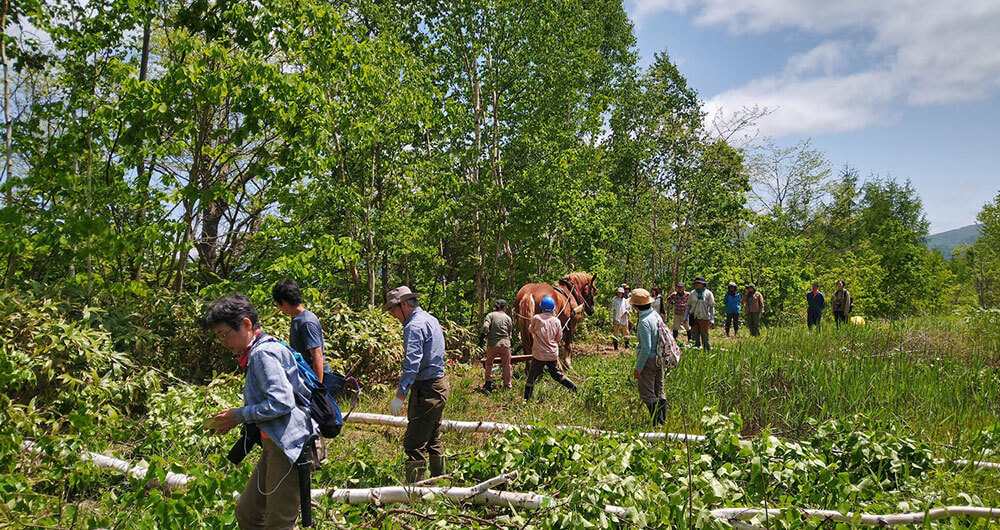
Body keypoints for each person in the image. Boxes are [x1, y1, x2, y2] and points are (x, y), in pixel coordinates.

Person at [205, 294, 316, 530]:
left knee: (279, 523)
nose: (224, 342)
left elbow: (281, 402)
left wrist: (238, 415)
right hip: (274, 444)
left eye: (225, 334)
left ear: (246, 324)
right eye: (218, 338)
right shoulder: (257, 351)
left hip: (290, 448)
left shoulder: (262, 353)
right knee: (248, 513)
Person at [383, 286, 449, 483]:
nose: (394, 316)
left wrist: (400, 395)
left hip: (426, 389)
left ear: (403, 305)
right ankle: (442, 484)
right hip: (439, 385)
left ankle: (416, 492)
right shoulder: (431, 319)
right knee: (433, 438)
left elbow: (412, 363)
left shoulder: (413, 326)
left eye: (394, 310)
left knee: (414, 443)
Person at [272, 279, 327, 383]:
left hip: (315, 375)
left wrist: (318, 388)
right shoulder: (297, 318)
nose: (278, 308)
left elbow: (317, 355)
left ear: (284, 302)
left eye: (278, 304)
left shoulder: (306, 321)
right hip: (306, 373)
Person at [525, 295, 577, 400]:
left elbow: (531, 330)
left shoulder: (537, 318)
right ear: (553, 309)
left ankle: (526, 399)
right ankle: (574, 388)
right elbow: (559, 338)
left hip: (539, 354)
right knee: (557, 375)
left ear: (541, 307)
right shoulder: (556, 321)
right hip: (552, 354)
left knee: (532, 376)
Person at [630, 289, 667, 426]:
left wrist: (638, 368)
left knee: (647, 393)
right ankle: (662, 423)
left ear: (636, 307)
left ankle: (657, 423)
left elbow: (646, 347)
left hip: (649, 360)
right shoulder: (655, 315)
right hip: (659, 358)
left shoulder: (644, 321)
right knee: (659, 391)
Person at [480, 299, 513, 392]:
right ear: (504, 307)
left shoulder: (490, 315)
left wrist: (481, 339)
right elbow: (510, 333)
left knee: (489, 363)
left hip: (492, 344)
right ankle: (507, 385)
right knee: (506, 365)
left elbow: (486, 327)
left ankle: (488, 383)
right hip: (505, 344)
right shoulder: (508, 318)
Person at [688, 277, 715, 351]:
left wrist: (712, 319)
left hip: (704, 317)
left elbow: (712, 306)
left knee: (705, 335)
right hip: (694, 316)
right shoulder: (692, 293)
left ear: (703, 284)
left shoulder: (708, 293)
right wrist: (685, 317)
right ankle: (695, 351)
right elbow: (689, 305)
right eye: (696, 283)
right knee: (694, 335)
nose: (697, 285)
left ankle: (707, 351)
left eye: (698, 283)